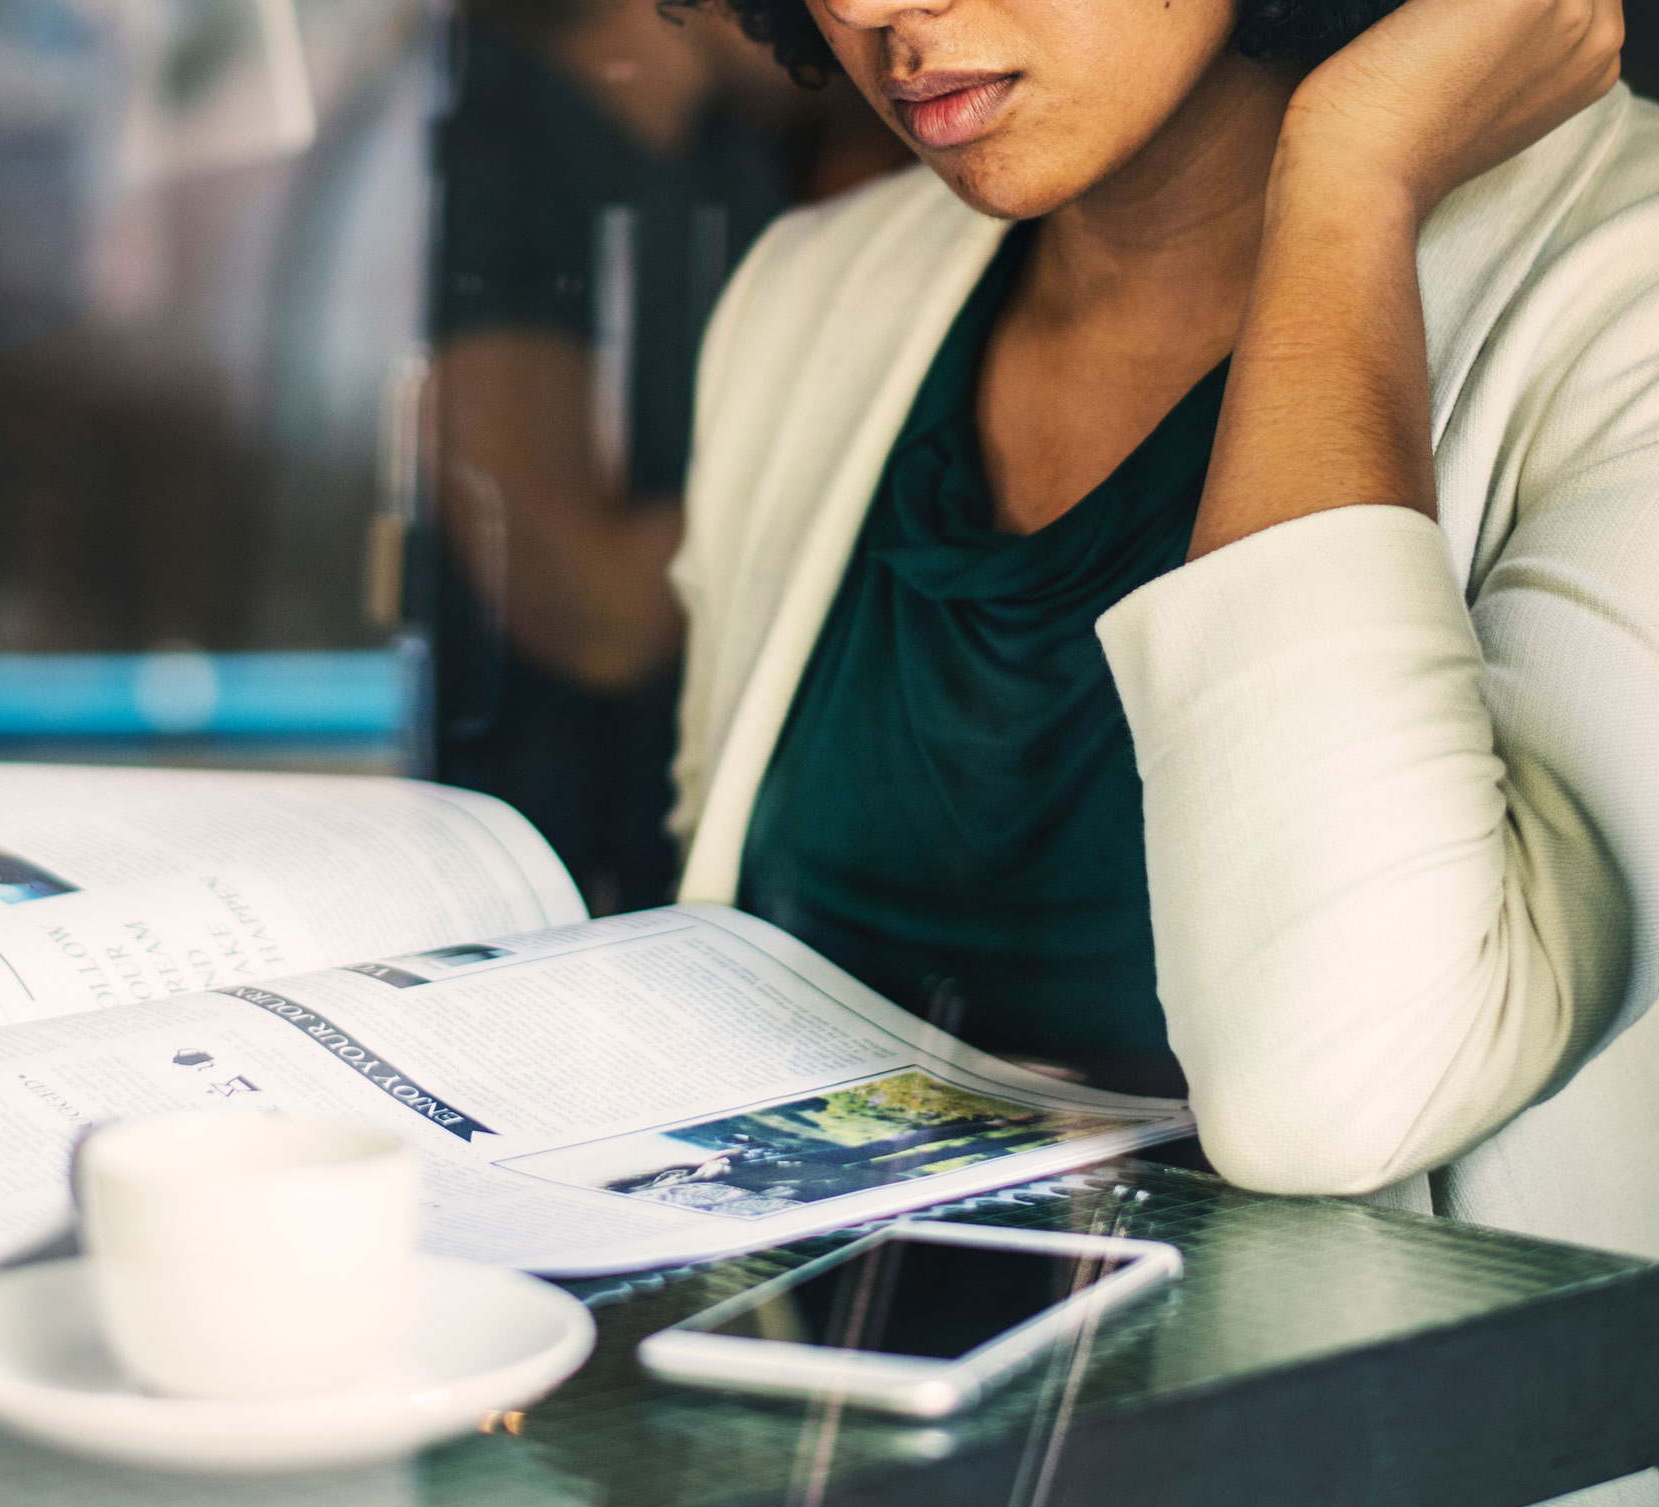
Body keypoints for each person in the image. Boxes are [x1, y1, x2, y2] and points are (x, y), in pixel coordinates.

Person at [670, 0, 1656, 1429]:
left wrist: (1350, 177)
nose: (877, 6)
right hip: (790, 1454)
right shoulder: (812, 300)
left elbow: (1338, 1085)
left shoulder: (1620, 301)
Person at [431, 0, 793, 912]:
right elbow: (597, 612)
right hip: (539, 862)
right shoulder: (502, 144)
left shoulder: (731, 154)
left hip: (694, 853)